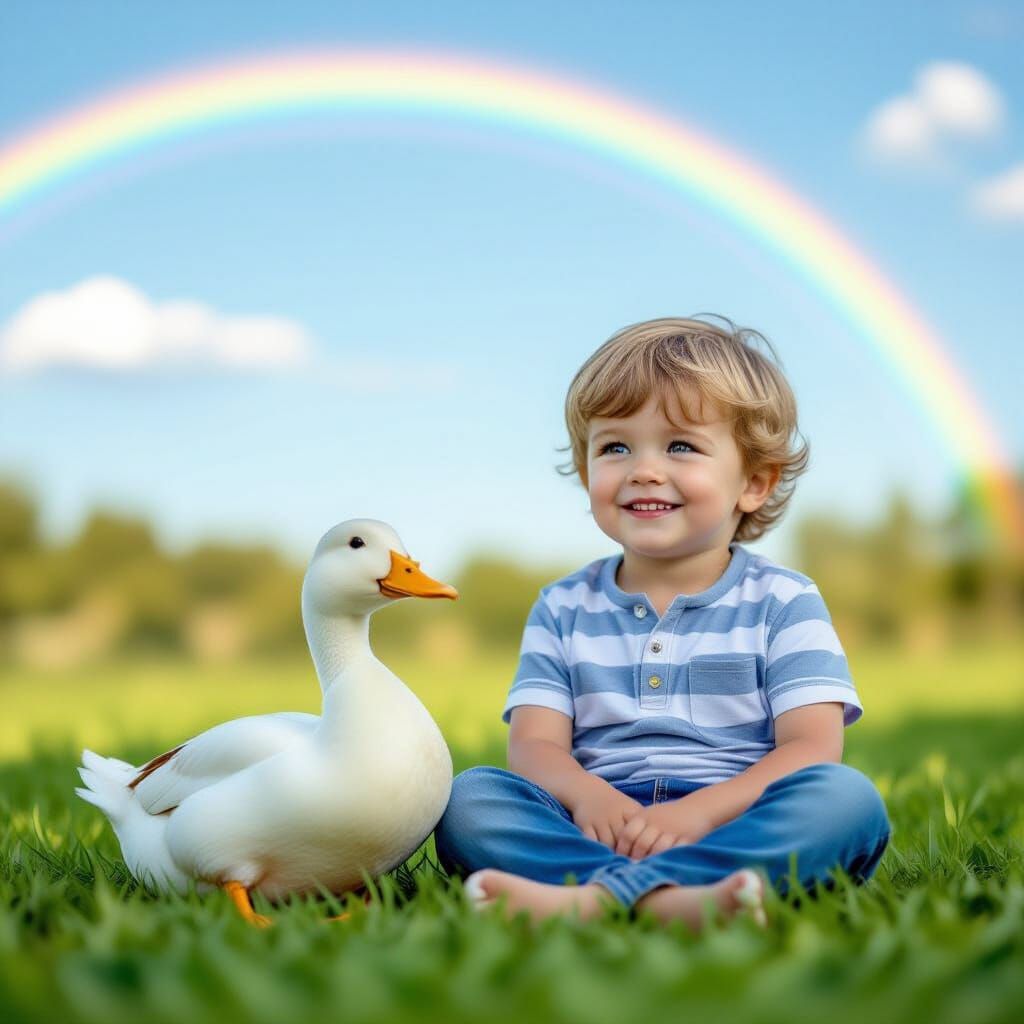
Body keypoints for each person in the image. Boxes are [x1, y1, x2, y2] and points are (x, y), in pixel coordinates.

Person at [434, 316, 891, 929]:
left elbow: (812, 747)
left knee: (846, 800)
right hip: (598, 824)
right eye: (615, 447)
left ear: (753, 483)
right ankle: (674, 900)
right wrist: (589, 796)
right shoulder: (563, 605)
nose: (643, 469)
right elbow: (536, 744)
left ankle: (598, 899)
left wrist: (698, 813)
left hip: (734, 823)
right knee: (470, 798)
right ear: (587, 466)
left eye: (681, 446)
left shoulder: (783, 599)